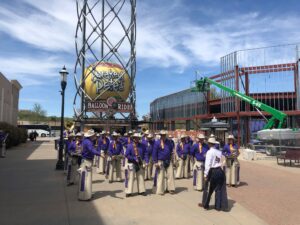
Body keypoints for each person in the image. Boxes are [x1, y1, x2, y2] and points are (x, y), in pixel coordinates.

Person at [199, 136, 227, 210]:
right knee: (218, 189)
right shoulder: (219, 152)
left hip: (213, 171)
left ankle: (206, 204)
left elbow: (208, 164)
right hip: (220, 170)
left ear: (209, 144)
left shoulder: (209, 152)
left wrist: (205, 174)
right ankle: (218, 206)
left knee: (208, 189)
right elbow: (223, 161)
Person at [78, 129, 100, 201]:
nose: (94, 136)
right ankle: (86, 196)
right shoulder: (88, 142)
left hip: (85, 160)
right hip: (87, 161)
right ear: (91, 136)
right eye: (94, 135)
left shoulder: (85, 141)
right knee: (87, 179)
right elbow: (91, 150)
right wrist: (99, 154)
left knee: (84, 179)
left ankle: (84, 195)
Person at [152, 130, 175, 195]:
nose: (163, 136)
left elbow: (171, 151)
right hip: (160, 161)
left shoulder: (169, 142)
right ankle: (160, 190)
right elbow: (154, 153)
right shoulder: (157, 142)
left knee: (170, 175)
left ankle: (170, 189)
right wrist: (155, 162)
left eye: (164, 135)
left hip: (168, 160)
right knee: (161, 176)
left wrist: (172, 159)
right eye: (162, 135)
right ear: (160, 135)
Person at [124, 133, 147, 197]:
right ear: (133, 138)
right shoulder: (130, 146)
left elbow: (145, 153)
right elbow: (126, 155)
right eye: (135, 138)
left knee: (141, 177)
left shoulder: (142, 145)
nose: (137, 139)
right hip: (132, 163)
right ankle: (129, 192)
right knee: (130, 178)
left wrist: (146, 161)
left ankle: (141, 190)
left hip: (140, 162)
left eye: (138, 138)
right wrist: (133, 158)